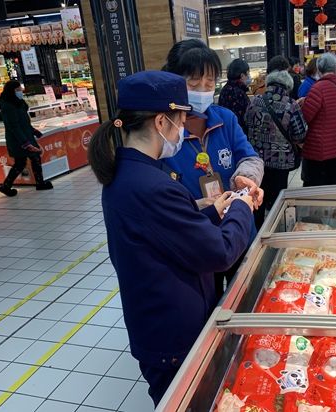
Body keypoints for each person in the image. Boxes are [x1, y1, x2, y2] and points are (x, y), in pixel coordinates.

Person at [87, 70, 254, 407]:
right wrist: (242, 206)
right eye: (181, 121)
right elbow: (220, 252)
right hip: (172, 334)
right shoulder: (152, 185)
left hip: (157, 320)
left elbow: (165, 232)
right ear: (162, 122)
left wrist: (211, 211)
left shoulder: (127, 173)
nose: (183, 129)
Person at [162, 40, 264, 298]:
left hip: (238, 227)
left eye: (209, 84)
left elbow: (250, 157)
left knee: (245, 294)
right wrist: (197, 206)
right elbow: (160, 197)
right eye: (193, 83)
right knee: (208, 302)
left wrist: (245, 178)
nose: (202, 91)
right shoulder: (165, 132)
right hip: (198, 237)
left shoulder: (224, 119)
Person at [245, 69, 307, 229]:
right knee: (278, 199)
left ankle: (257, 232)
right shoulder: (291, 104)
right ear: (288, 86)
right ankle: (276, 229)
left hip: (257, 161)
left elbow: (246, 124)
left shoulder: (255, 101)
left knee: (257, 198)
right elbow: (300, 134)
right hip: (281, 162)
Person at [300, 53, 336, 187]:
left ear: (319, 69)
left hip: (316, 148)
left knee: (314, 185)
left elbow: (306, 116)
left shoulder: (317, 88)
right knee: (333, 183)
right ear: (335, 68)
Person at [0, 80, 52, 197]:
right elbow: (14, 126)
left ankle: (7, 186)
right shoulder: (8, 106)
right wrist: (26, 143)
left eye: (20, 89)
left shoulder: (19, 103)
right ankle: (7, 186)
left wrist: (34, 131)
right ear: (11, 91)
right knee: (24, 161)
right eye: (18, 90)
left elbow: (24, 122)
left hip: (26, 136)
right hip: (18, 140)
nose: (21, 92)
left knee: (26, 161)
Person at [218, 58, 251, 132]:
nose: (249, 76)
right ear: (242, 75)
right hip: (238, 134)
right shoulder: (238, 93)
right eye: (248, 73)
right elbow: (243, 118)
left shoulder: (225, 89)